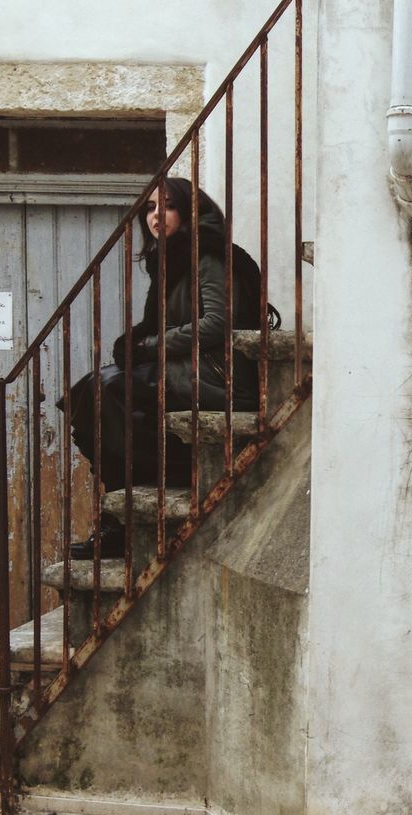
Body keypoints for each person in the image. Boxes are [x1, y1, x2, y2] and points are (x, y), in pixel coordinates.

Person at [65, 178, 265, 559]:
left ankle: (123, 514)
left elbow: (218, 323)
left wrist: (149, 346)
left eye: (168, 206)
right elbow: (160, 325)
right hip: (186, 367)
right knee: (96, 393)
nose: (157, 216)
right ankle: (123, 507)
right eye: (151, 208)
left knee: (104, 390)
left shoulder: (208, 254)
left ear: (190, 211)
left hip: (217, 377)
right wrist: (137, 344)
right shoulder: (170, 258)